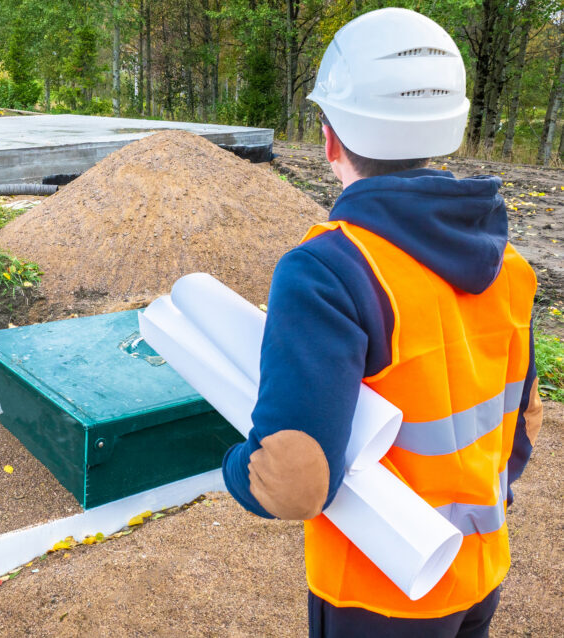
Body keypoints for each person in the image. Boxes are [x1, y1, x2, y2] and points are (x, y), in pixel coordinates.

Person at [221, 8, 544, 638]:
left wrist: (233, 465)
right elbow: (523, 420)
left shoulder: (329, 270)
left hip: (378, 594)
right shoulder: (510, 266)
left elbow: (294, 482)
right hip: (478, 570)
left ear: (330, 138)